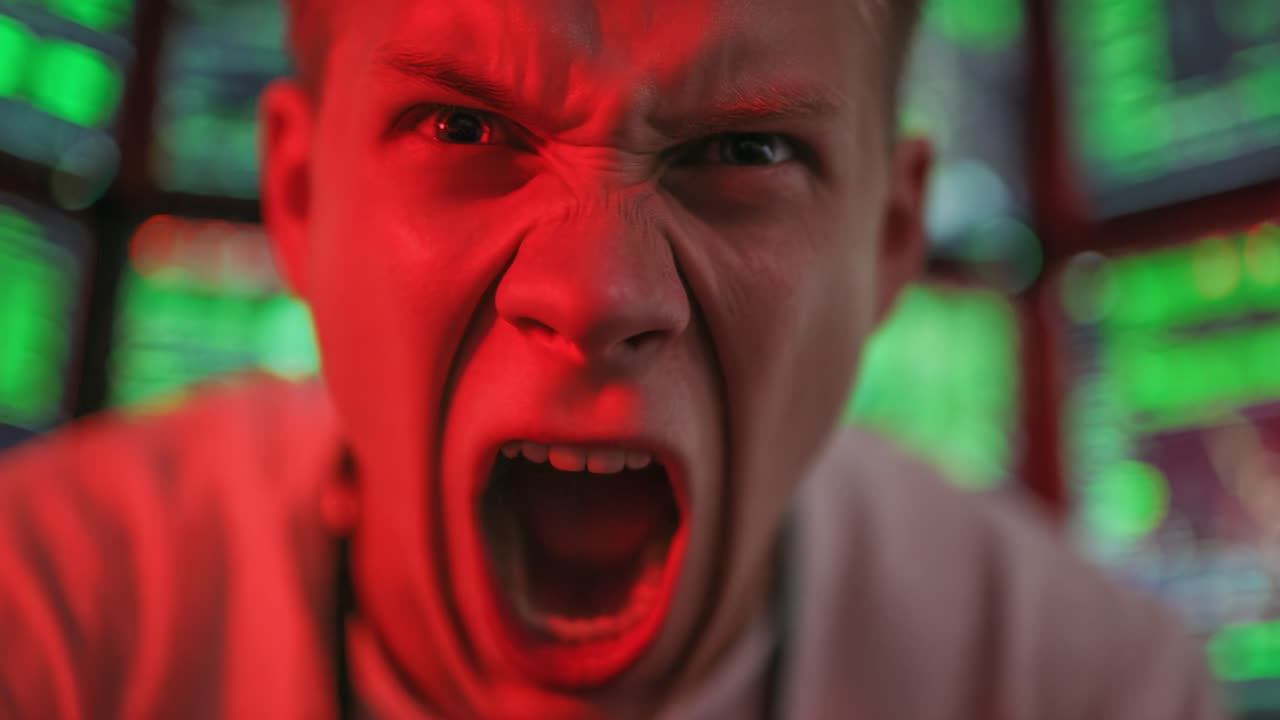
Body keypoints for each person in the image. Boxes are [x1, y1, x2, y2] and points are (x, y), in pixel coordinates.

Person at [0, 0, 1225, 717]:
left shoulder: (1080, 687)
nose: (596, 295)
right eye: (463, 128)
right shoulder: (54, 621)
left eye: (744, 155)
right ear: (300, 194)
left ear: (889, 239)